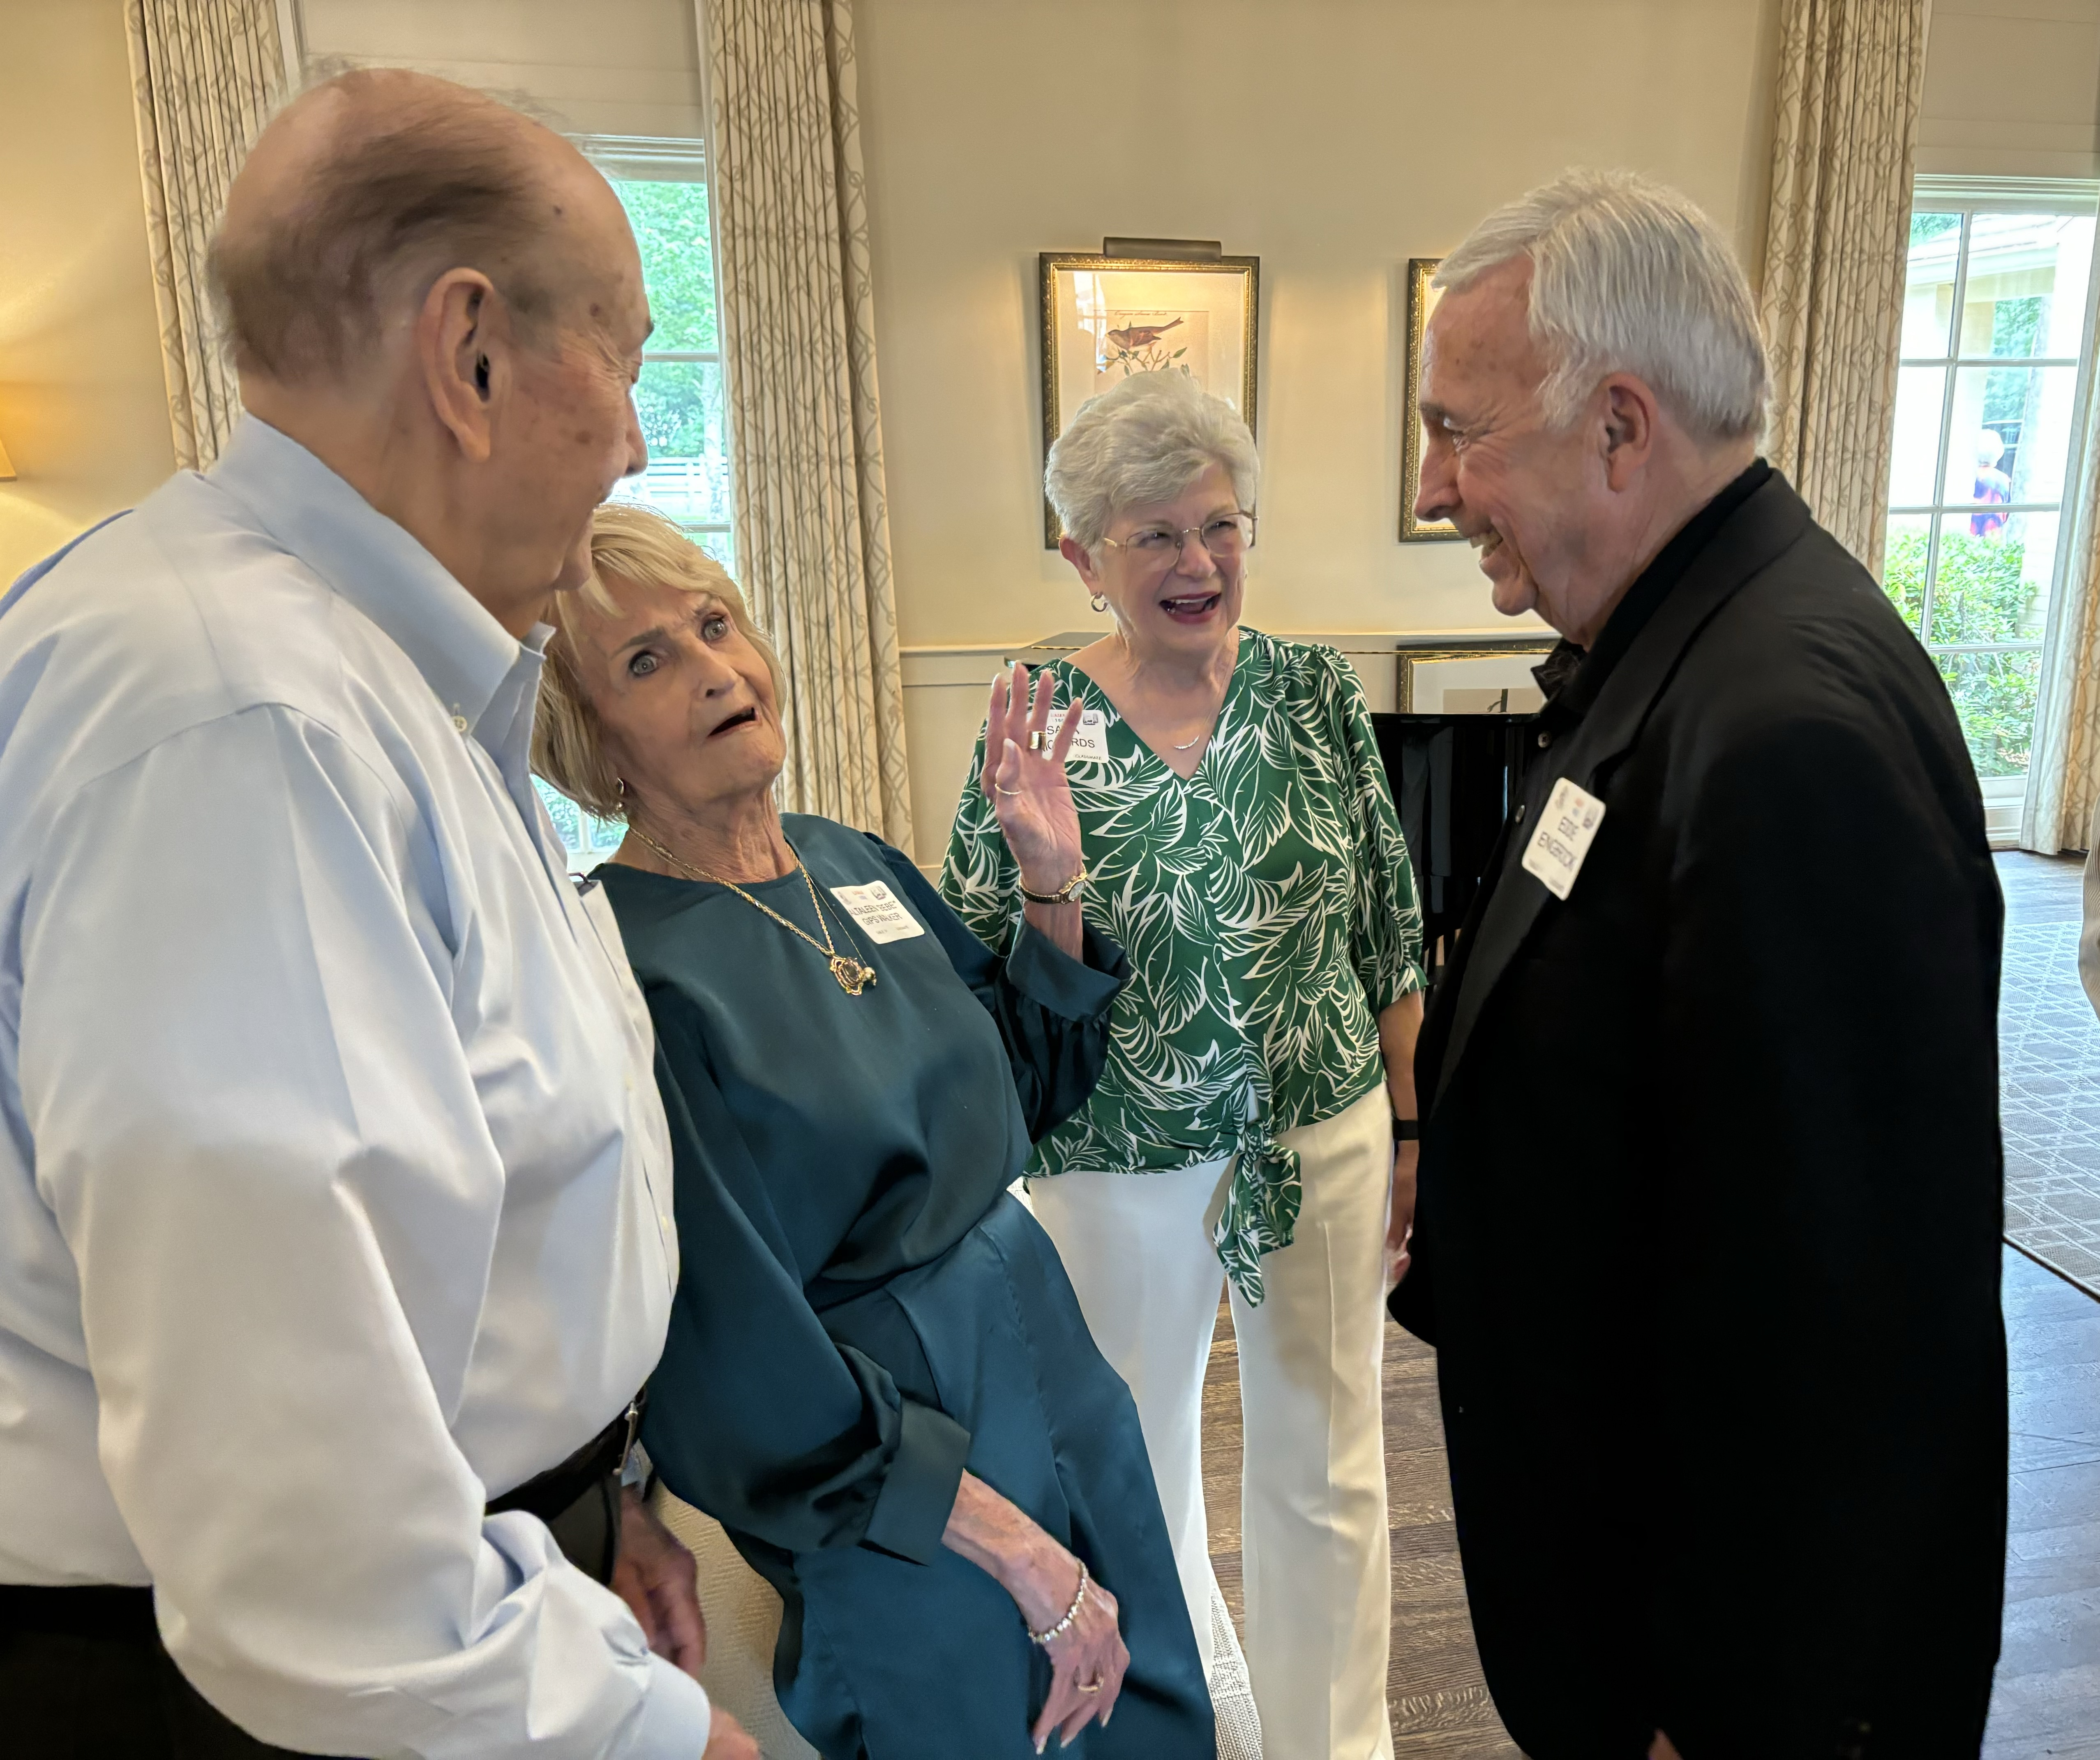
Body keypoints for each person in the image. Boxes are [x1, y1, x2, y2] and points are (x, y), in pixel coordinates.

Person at [0, 71, 756, 1760]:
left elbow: (479, 1204)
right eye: (626, 354)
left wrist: (602, 1483)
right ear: (471, 358)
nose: (638, 434)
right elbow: (302, 1518)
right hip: (302, 1689)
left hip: (477, 1577)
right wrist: (641, 1736)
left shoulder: (361, 674)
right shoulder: (238, 724)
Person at [1391, 169, 2006, 1758]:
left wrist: (1729, 1708)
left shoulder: (1785, 725)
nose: (1438, 486)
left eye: (1461, 429)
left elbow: (1846, 1317)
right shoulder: (1677, 646)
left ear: (1617, 424)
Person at [530, 502, 1215, 1760]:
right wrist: (1012, 1545)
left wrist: (1048, 882)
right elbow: (731, 1348)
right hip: (889, 1458)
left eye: (714, 624)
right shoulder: (628, 963)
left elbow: (1019, 1088)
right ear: (591, 741)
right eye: (648, 661)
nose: (716, 671)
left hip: (1045, 1352)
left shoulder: (849, 864)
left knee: (1144, 1706)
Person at [943, 370, 1427, 1760]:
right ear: (1081, 555)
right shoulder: (1034, 715)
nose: (1197, 562)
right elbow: (993, 978)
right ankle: (1166, 1731)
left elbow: (1387, 924)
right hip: (1114, 1161)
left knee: (1328, 1466)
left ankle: (1334, 1744)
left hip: (1317, 1131)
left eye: (1219, 524)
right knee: (1129, 1470)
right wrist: (1050, 872)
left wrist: (1409, 1128)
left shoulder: (1312, 691)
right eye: (1153, 534)